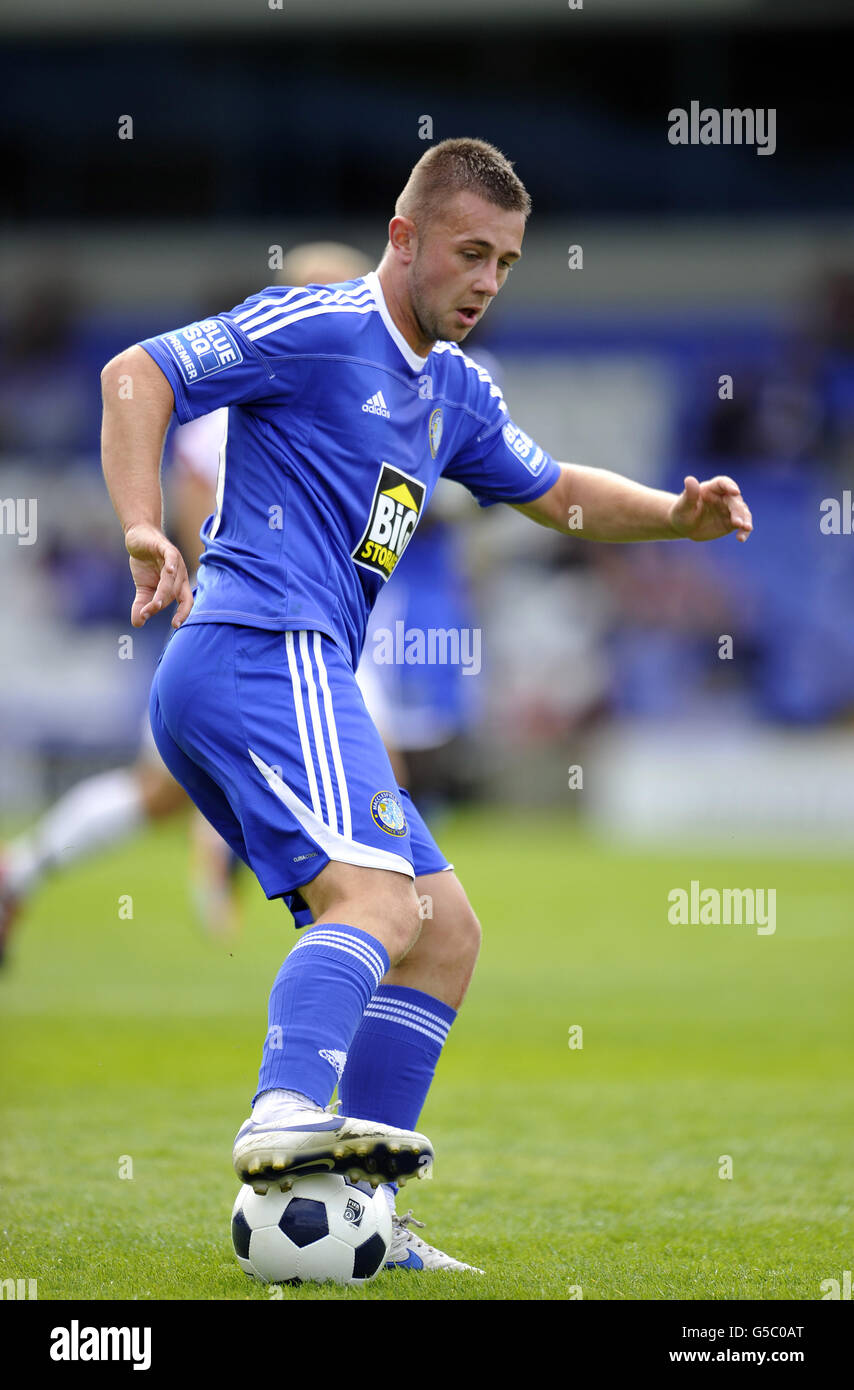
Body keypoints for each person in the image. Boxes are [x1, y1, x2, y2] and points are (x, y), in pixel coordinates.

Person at [99, 137, 753, 1273]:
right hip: (260, 648)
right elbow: (135, 373)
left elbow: (553, 492)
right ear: (404, 238)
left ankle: (365, 1215)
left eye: (504, 260)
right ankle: (283, 1112)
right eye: (468, 253)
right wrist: (144, 523)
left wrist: (673, 512)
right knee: (378, 903)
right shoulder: (315, 324)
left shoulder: (451, 388)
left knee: (442, 932)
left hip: (289, 669)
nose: (487, 281)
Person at [0, 246, 373, 956]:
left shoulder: (347, 403)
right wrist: (220, 590)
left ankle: (21, 870)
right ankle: (359, 928)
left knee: (165, 792)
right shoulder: (236, 409)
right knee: (184, 788)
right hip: (244, 625)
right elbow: (194, 503)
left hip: (305, 623)